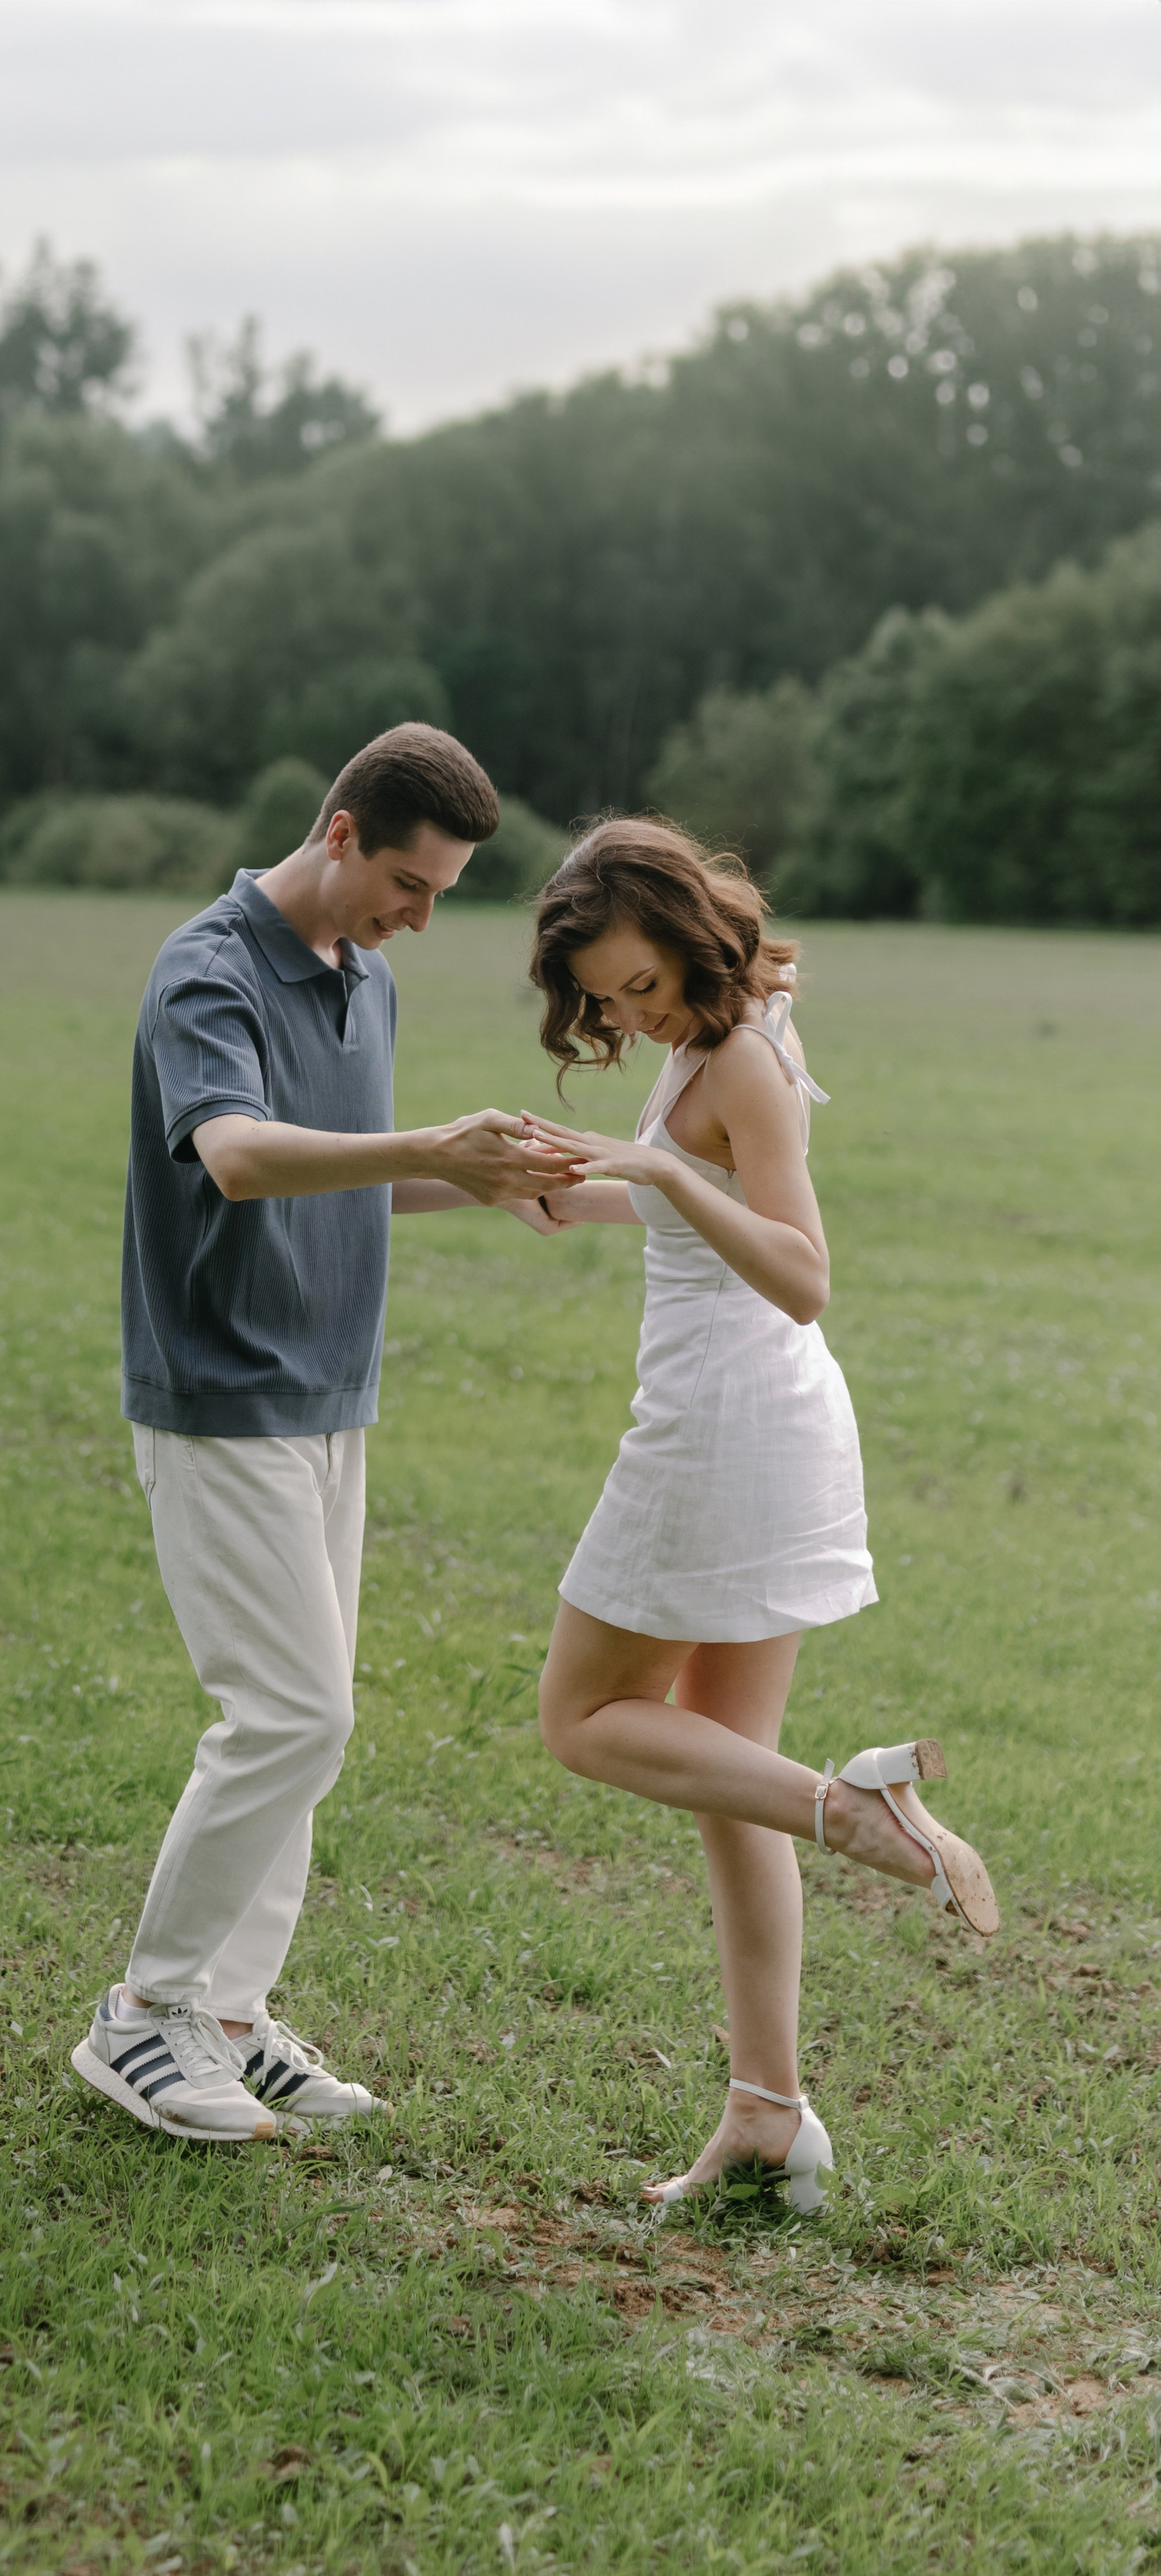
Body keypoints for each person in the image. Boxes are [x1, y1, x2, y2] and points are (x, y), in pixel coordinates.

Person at [72, 724, 580, 2144]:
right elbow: (238, 1158)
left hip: (330, 1398)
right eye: (410, 886)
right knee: (293, 1714)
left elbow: (344, 1178)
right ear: (342, 831)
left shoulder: (368, 982)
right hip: (223, 1394)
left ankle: (230, 2018)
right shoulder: (209, 967)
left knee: (306, 1729)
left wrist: (482, 1181)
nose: (419, 919)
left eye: (440, 897)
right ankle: (142, 2016)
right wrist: (428, 1146)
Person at [517, 816, 998, 2210]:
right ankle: (768, 2113)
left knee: (582, 1720)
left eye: (640, 985)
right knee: (726, 1782)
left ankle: (853, 1810)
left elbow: (800, 1271)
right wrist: (598, 1194)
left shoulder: (734, 1055)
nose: (629, 1016)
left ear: (686, 936)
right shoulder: (731, 1027)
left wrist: (660, 1171)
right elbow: (709, 1203)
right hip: (759, 1430)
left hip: (719, 1434)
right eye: (605, 1001)